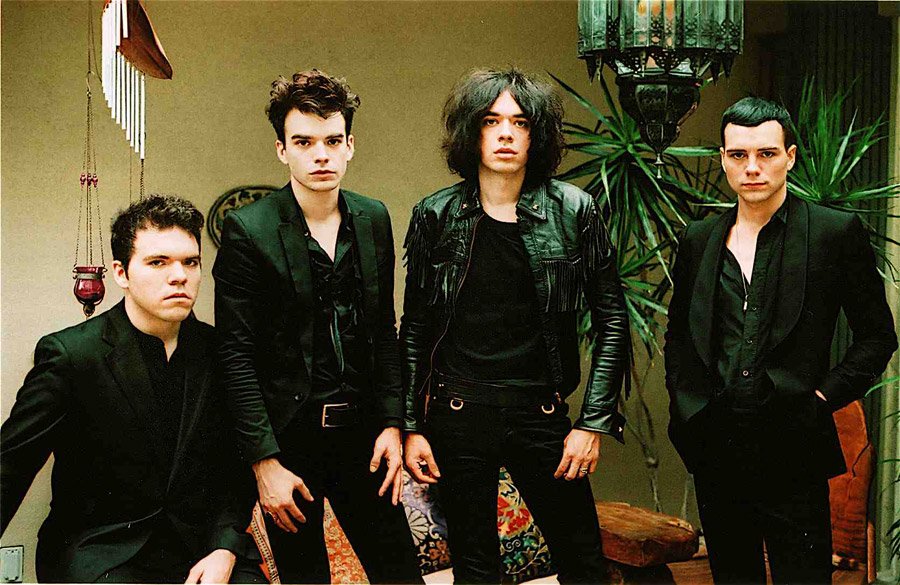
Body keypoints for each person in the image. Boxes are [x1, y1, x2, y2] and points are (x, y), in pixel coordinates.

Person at [400, 68, 630, 584]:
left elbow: (612, 320)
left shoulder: (575, 210)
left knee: (584, 565)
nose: (505, 133)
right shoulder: (436, 214)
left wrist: (592, 423)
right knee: (475, 571)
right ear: (471, 132)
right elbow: (414, 328)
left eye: (520, 122)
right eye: (491, 121)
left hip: (540, 414)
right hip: (458, 415)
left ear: (536, 135)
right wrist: (412, 426)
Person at [664, 97, 897, 584]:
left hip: (794, 444)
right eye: (738, 155)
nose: (752, 167)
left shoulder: (833, 233)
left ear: (789, 156)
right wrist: (688, 412)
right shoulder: (698, 239)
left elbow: (877, 336)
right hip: (717, 446)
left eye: (766, 153)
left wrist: (822, 398)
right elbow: (680, 338)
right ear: (723, 159)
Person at [213, 69, 422, 584]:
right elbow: (235, 355)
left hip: (365, 436)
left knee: (401, 575)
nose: (320, 155)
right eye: (304, 142)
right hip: (290, 442)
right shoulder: (249, 229)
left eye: (332, 141)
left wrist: (392, 423)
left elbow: (384, 331)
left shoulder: (373, 218)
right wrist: (264, 464)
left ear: (350, 145)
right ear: (282, 150)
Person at [0, 195, 263, 583]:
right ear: (121, 273)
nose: (179, 276)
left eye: (190, 262)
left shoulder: (219, 352)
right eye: (158, 262)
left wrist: (225, 548)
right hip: (101, 552)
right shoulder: (72, 354)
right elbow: (11, 465)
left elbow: (235, 466)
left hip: (201, 549)